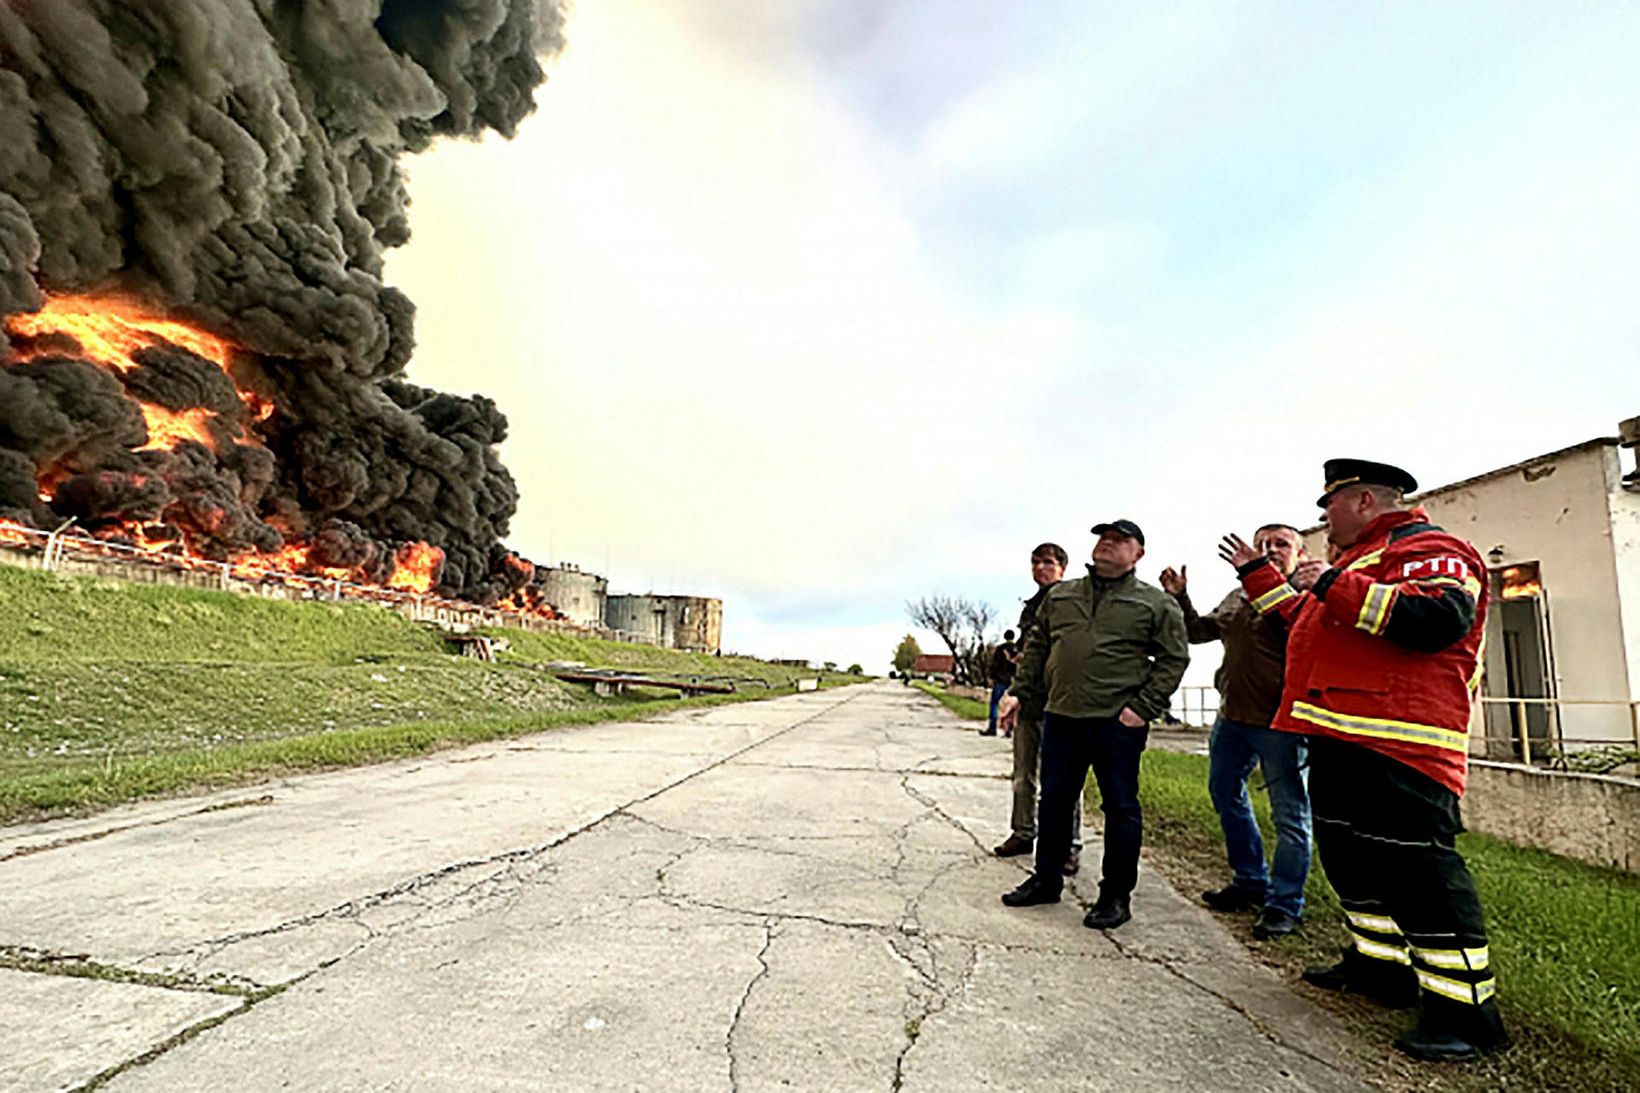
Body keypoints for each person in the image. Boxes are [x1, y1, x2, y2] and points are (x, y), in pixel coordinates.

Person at [1226, 459, 1508, 1061]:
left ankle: (1466, 1014)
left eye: (1329, 507)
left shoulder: (1433, 547)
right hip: (1342, 737)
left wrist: (1331, 582)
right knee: (1352, 861)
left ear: (1363, 501)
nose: (1323, 519)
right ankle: (1378, 970)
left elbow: (1436, 620)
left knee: (1418, 874)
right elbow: (1304, 620)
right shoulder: (1354, 563)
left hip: (1401, 743)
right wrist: (1258, 575)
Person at [998, 520, 1189, 930]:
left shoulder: (1156, 604)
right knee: (1054, 802)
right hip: (1062, 715)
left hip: (1117, 722)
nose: (1106, 544)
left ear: (1138, 553)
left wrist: (1144, 707)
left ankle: (1115, 896)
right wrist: (1018, 692)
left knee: (1120, 807)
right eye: (1103, 538)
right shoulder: (1062, 596)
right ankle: (1046, 879)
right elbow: (1038, 648)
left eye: (1119, 540)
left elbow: (1174, 659)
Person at [1160, 525, 1312, 941]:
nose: (1270, 550)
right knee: (1225, 794)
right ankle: (1250, 882)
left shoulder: (1304, 598)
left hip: (1281, 724)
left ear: (1301, 553)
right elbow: (1198, 632)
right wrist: (1180, 597)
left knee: (1291, 817)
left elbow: (1302, 638)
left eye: (1281, 544)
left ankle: (1284, 905)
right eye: (1263, 544)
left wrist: (1264, 576)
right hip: (1232, 718)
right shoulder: (1237, 596)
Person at [991, 543, 1083, 876]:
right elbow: (1033, 654)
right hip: (1029, 700)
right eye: (1035, 562)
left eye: (1048, 562)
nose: (1040, 568)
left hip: (1061, 702)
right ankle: (1023, 832)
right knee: (1023, 774)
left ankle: (1069, 845)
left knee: (1064, 779)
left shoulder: (1072, 601)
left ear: (1062, 568)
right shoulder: (1030, 608)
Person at [982, 629, 1018, 737]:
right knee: (1011, 705)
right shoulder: (1016, 649)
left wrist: (991, 677)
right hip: (1012, 680)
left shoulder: (1000, 649)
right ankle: (1009, 730)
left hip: (1000, 680)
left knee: (994, 704)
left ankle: (992, 728)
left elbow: (995, 664)